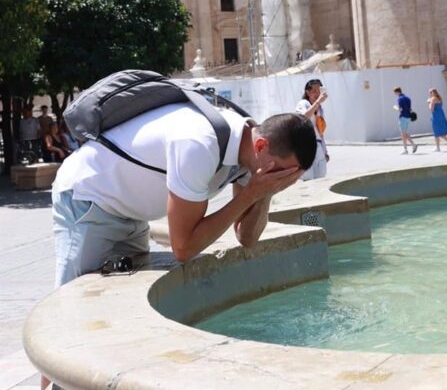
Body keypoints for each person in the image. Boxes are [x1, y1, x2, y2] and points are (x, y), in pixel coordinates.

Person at [51, 106, 316, 288]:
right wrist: (250, 194)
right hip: (89, 199)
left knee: (116, 303)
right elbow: (183, 247)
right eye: (283, 172)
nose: (282, 181)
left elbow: (247, 238)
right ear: (261, 146)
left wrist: (265, 192)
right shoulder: (199, 145)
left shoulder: (249, 154)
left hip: (129, 213)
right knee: (73, 318)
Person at [295, 79, 329, 180]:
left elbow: (320, 132)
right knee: (308, 177)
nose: (317, 94)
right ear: (307, 92)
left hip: (318, 146)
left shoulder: (320, 109)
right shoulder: (303, 104)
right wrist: (318, 102)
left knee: (320, 177)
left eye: (319, 91)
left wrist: (325, 151)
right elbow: (303, 118)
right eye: (314, 91)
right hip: (306, 145)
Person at [392, 87, 418, 154]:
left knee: (403, 134)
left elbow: (400, 109)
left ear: (397, 92)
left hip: (403, 117)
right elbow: (410, 109)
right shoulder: (408, 98)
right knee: (404, 133)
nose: (395, 94)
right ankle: (413, 145)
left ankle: (406, 149)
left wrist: (395, 108)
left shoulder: (400, 99)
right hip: (408, 117)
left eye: (395, 93)